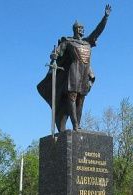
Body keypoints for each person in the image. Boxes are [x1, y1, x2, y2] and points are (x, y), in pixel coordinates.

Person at [37, 4, 111, 132]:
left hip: (84, 74)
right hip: (72, 74)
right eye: (78, 28)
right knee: (72, 98)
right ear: (74, 29)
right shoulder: (68, 42)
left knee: (81, 100)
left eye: (82, 28)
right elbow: (57, 53)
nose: (81, 30)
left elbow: (98, 31)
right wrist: (54, 55)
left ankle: (78, 124)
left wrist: (105, 17)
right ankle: (75, 124)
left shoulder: (87, 42)